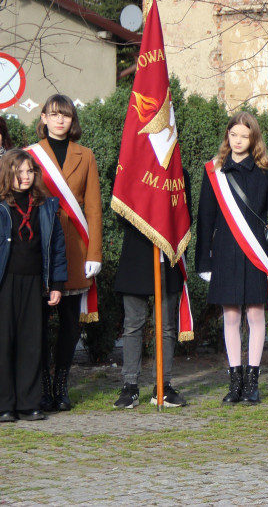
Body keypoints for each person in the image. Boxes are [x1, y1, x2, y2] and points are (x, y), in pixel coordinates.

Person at [196, 112, 268, 405]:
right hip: (224, 252)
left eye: (244, 136)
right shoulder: (214, 171)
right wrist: (203, 261)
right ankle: (234, 382)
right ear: (227, 136)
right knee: (231, 317)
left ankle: (252, 381)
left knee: (255, 314)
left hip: (256, 252)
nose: (237, 141)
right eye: (233, 134)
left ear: (254, 139)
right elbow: (205, 219)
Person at [29, 94, 102, 412]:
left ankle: (61, 385)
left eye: (66, 116)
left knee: (71, 323)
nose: (60, 120)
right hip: (38, 247)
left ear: (73, 121)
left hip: (74, 247)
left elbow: (94, 208)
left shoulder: (85, 155)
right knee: (39, 322)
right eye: (54, 115)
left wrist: (95, 252)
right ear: (43, 118)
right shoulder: (29, 155)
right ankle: (44, 386)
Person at [111, 170, 193, 409]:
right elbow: (121, 211)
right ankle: (130, 386)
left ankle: (163, 385)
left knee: (166, 325)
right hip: (137, 253)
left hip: (167, 255)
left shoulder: (178, 172)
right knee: (133, 324)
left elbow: (186, 216)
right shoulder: (130, 169)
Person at [0, 150, 66, 422]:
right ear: (8, 174)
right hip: (5, 282)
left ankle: (28, 403)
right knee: (4, 343)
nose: (25, 177)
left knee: (31, 343)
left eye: (29, 172)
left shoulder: (45, 206)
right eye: (19, 172)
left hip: (34, 282)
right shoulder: (2, 204)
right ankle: (4, 404)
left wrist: (56, 283)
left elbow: (58, 247)